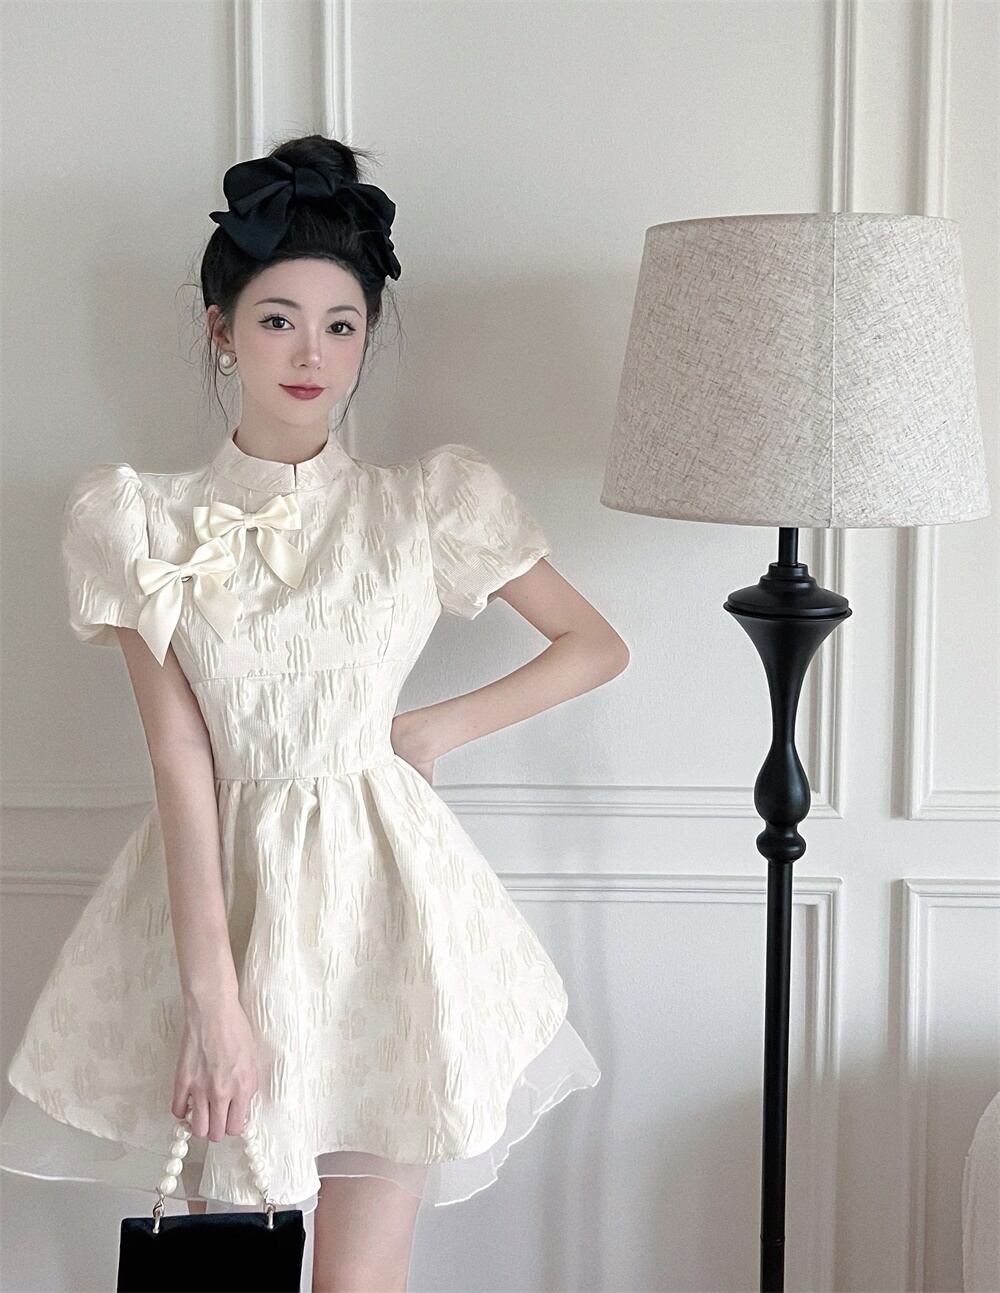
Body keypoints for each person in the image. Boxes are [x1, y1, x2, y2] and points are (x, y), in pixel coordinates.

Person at [0, 133, 625, 1292]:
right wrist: (214, 1002)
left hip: (393, 911)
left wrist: (430, 730)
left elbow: (592, 644)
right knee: (229, 1259)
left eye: (341, 326)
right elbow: (179, 755)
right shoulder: (136, 518)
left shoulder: (424, 503)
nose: (310, 353)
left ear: (367, 340)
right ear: (220, 329)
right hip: (223, 910)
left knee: (359, 1277)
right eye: (278, 319)